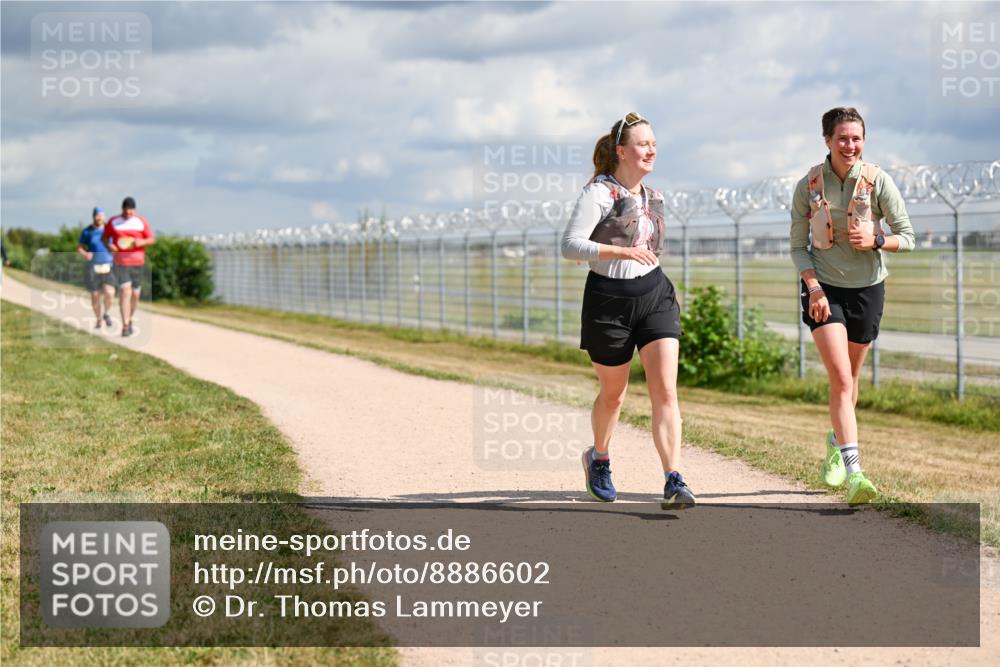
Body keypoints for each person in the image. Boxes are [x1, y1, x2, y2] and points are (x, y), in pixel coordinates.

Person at [561, 112, 694, 510]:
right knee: (614, 395)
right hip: (608, 301)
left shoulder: (655, 196)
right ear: (621, 151)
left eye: (653, 143)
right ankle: (599, 457)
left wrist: (638, 260)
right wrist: (619, 250)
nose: (651, 149)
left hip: (654, 294)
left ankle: (674, 480)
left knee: (665, 391)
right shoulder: (599, 193)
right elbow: (570, 246)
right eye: (642, 143)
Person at [790, 107, 915, 505]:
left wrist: (877, 241)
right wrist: (814, 288)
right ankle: (856, 473)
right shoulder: (809, 185)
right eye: (842, 138)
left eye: (856, 138)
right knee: (841, 379)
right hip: (823, 287)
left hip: (868, 289)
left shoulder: (878, 181)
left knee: (851, 381)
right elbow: (797, 246)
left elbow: (907, 236)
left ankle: (835, 443)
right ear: (827, 140)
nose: (850, 145)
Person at [103, 196, 154, 337]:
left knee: (135, 294)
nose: (128, 213)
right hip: (121, 263)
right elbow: (105, 237)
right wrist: (110, 245)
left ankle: (130, 319)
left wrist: (140, 242)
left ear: (134, 210)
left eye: (130, 211)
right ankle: (125, 325)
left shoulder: (141, 222)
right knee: (125, 291)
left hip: (138, 263)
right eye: (126, 211)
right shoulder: (114, 221)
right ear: (122, 209)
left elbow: (151, 239)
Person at [76, 207, 117, 329]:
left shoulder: (110, 230)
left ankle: (106, 313)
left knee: (110, 292)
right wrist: (85, 254)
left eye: (101, 215)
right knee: (95, 294)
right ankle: (98, 319)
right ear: (93, 217)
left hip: (108, 266)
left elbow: (116, 246)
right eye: (97, 215)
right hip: (93, 267)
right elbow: (79, 247)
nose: (99, 217)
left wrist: (115, 249)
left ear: (104, 217)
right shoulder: (87, 232)